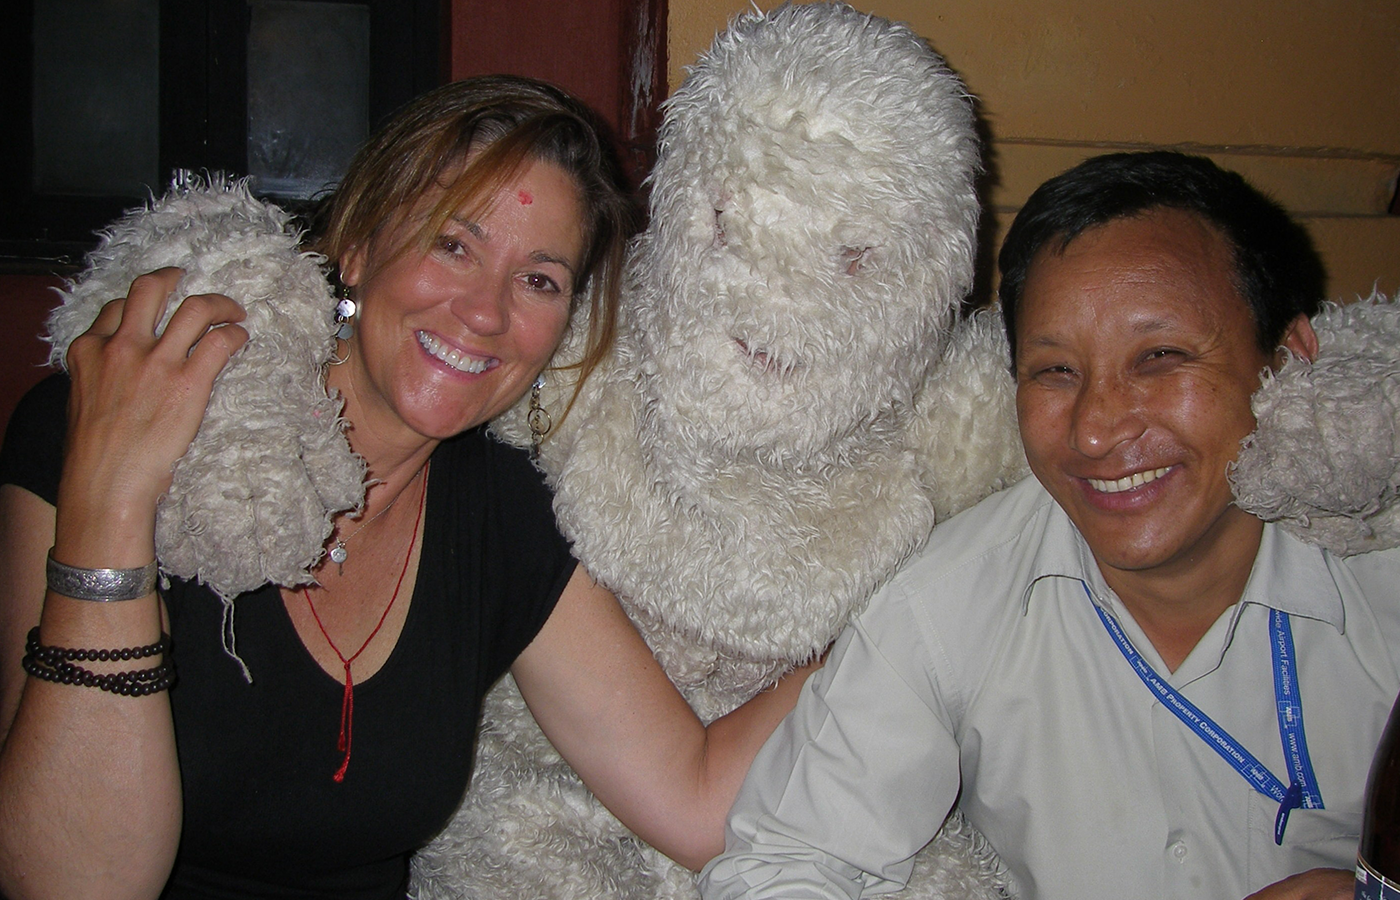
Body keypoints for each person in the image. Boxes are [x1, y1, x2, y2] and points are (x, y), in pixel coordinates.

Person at [0, 76, 809, 900]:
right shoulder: (118, 433)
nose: (485, 312)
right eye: (452, 245)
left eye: (539, 280)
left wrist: (908, 604)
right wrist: (111, 503)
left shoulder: (503, 515)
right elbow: (73, 884)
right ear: (358, 245)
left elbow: (696, 801)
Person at [698, 151, 1400, 900]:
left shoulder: (1379, 581)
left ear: (1286, 361)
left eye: (1159, 358)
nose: (1095, 429)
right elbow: (783, 867)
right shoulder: (944, 607)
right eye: (1055, 371)